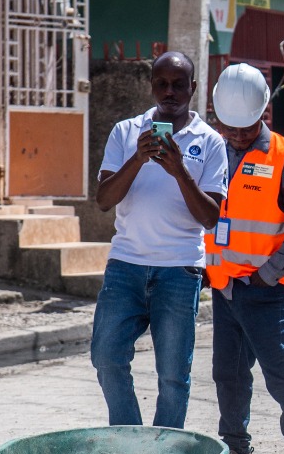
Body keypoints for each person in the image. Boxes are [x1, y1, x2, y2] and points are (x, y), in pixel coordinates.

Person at [91, 51, 228, 429]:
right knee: (106, 357)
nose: (170, 92)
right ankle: (130, 439)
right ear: (151, 86)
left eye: (178, 85)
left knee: (173, 375)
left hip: (179, 270)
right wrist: (137, 158)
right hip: (126, 265)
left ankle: (163, 451)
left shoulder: (210, 142)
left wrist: (179, 169)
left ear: (193, 88)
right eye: (162, 84)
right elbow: (103, 200)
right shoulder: (125, 132)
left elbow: (210, 217)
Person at [203, 63, 284, 454]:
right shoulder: (214, 151)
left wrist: (269, 272)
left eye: (245, 127)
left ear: (263, 113)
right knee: (228, 375)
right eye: (229, 127)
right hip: (225, 288)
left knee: (279, 372)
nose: (237, 135)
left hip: (265, 291)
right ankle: (237, 451)